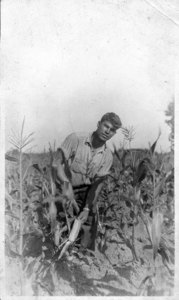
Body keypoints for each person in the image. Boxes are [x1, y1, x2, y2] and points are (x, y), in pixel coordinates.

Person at [53, 112, 122, 250]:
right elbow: (56, 163)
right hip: (65, 185)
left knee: (88, 224)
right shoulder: (76, 138)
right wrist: (66, 186)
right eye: (106, 126)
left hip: (87, 192)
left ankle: (82, 259)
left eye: (112, 130)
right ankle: (57, 251)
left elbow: (97, 185)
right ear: (98, 124)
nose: (107, 131)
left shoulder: (107, 156)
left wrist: (87, 208)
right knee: (62, 220)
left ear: (114, 134)